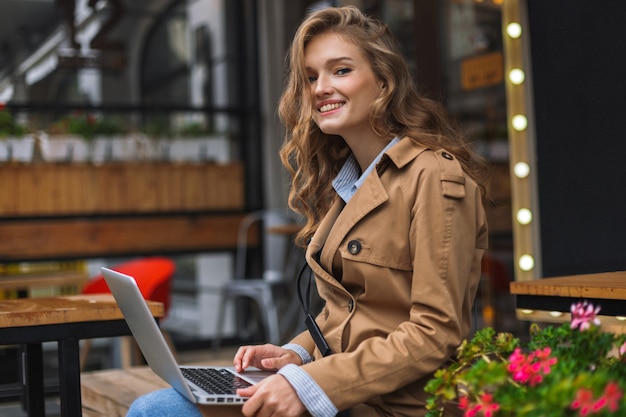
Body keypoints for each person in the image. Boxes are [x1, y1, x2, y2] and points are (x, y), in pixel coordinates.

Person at [127, 5, 489, 417]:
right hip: (341, 393)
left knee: (157, 411)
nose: (319, 88)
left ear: (385, 81)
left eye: (341, 70)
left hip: (394, 406)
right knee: (160, 405)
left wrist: (307, 385)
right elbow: (347, 313)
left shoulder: (435, 178)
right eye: (312, 77)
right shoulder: (351, 182)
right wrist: (293, 354)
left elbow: (434, 333)